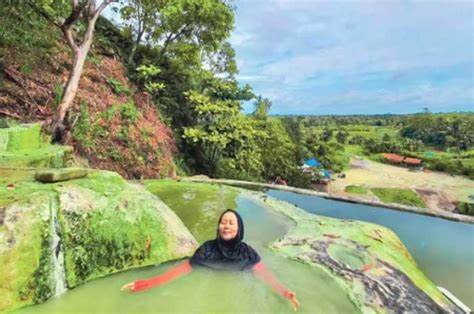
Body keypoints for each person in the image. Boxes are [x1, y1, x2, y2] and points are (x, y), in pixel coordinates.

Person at [121, 209, 300, 311]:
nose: (226, 226)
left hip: (238, 300)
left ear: (239, 229)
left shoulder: (247, 253)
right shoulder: (207, 249)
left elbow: (264, 275)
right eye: (223, 222)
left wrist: (284, 292)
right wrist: (149, 283)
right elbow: (182, 269)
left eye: (231, 223)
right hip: (206, 298)